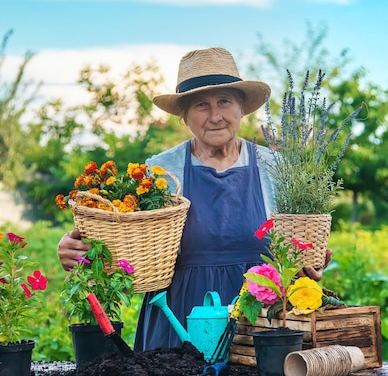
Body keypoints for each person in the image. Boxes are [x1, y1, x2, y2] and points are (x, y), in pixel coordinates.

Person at [57, 47, 331, 351]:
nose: (215, 116)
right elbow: (127, 244)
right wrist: (79, 249)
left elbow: (297, 246)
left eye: (224, 101)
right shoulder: (161, 171)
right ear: (184, 116)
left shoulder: (277, 168)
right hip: (177, 326)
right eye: (201, 105)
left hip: (260, 328)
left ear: (242, 108)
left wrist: (310, 260)